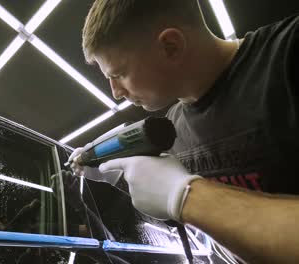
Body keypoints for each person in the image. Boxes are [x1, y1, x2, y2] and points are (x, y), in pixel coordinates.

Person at [70, 0, 299, 263]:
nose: (116, 92)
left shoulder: (287, 55)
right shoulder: (173, 128)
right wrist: (115, 175)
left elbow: (190, 196)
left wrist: (185, 196)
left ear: (171, 46)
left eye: (119, 73)